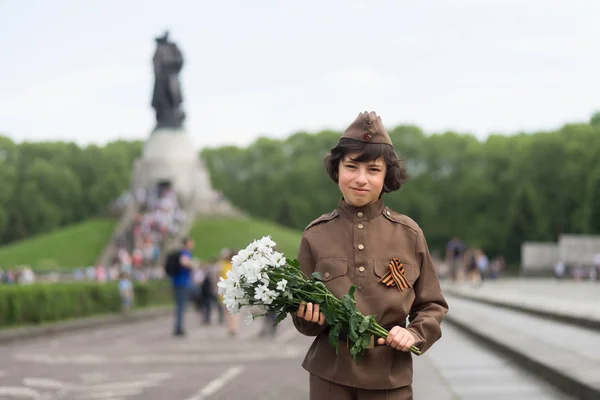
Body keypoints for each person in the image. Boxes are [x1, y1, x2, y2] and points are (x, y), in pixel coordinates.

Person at [293, 111, 449, 400]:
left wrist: (414, 333)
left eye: (373, 170)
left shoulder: (409, 233)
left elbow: (432, 304)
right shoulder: (314, 235)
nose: (361, 179)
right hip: (330, 376)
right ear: (336, 169)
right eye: (351, 166)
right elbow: (302, 319)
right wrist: (308, 317)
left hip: (390, 377)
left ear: (387, 175)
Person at [171, 237, 195, 336]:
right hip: (182, 282)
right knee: (181, 306)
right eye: (192, 242)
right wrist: (192, 264)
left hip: (177, 282)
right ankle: (179, 328)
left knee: (179, 305)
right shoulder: (185, 253)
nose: (193, 244)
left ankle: (178, 327)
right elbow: (185, 263)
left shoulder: (182, 252)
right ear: (187, 243)